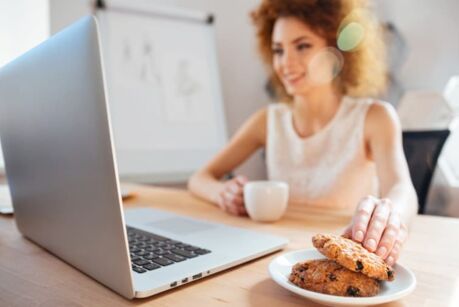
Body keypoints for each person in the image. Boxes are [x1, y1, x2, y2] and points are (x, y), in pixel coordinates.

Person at [188, 0, 417, 267]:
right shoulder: (267, 120)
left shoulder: (375, 118)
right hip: (279, 261)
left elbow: (402, 188)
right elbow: (199, 178)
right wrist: (221, 193)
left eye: (302, 46)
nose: (286, 63)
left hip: (343, 263)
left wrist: (390, 213)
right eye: (278, 50)